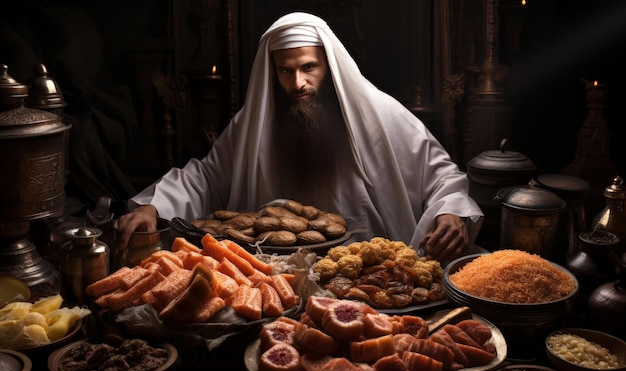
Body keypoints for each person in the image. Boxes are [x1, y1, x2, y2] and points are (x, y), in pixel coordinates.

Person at [115, 11, 483, 264]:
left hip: (370, 276)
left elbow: (444, 179)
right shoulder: (254, 124)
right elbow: (205, 178)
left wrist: (451, 211)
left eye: (309, 68)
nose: (298, 83)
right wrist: (154, 206)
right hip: (275, 277)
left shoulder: (382, 114)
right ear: (272, 72)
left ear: (329, 65)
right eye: (285, 71)